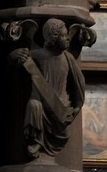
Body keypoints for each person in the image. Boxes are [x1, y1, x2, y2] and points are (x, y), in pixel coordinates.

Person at [11, 17, 86, 161]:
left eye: (68, 35)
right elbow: (16, 62)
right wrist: (13, 55)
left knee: (63, 130)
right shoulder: (38, 55)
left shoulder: (68, 58)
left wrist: (76, 107)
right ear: (53, 37)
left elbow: (79, 84)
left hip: (60, 108)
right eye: (64, 36)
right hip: (40, 102)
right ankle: (35, 140)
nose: (68, 39)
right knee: (33, 105)